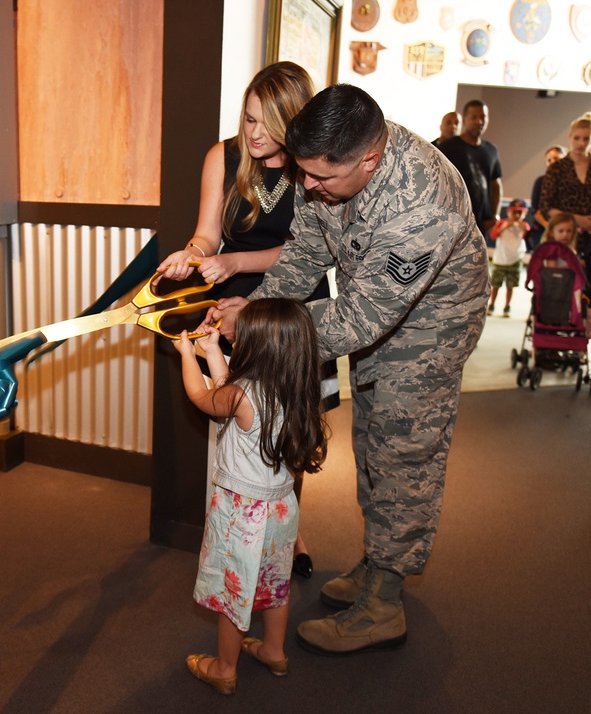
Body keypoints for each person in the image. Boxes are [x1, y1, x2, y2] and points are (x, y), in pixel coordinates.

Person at [208, 84, 490, 656]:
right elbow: (304, 253)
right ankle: (378, 564)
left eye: (320, 179)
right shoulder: (327, 167)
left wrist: (259, 328)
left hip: (432, 326)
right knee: (370, 439)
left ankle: (384, 604)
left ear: (369, 158)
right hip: (376, 304)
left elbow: (356, 320)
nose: (307, 187)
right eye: (304, 173)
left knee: (404, 451)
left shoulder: (422, 207)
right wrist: (258, 304)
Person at [154, 61, 337, 579]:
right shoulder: (224, 155)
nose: (254, 134)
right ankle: (237, 525)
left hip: (290, 307)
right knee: (237, 422)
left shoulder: (312, 165)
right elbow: (207, 233)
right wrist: (193, 254)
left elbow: (309, 249)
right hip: (233, 306)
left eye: (267, 123)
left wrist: (236, 261)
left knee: (291, 432)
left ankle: (286, 531)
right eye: (248, 118)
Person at [177, 299, 328, 695]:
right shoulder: (297, 389)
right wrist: (211, 350)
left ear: (258, 347)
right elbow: (233, 391)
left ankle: (225, 668)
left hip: (241, 514)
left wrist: (185, 354)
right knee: (275, 583)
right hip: (281, 509)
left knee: (234, 591)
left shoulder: (242, 394)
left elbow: (203, 397)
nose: (235, 338)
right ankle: (274, 651)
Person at [539, 113, 591, 296]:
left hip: (589, 236)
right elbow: (546, 206)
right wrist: (577, 220)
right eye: (577, 138)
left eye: (586, 139)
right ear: (570, 137)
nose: (581, 143)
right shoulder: (557, 169)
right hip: (563, 235)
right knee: (561, 289)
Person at [440, 99, 503, 239]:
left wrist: (494, 216)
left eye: (483, 117)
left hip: (482, 225)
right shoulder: (448, 147)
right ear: (465, 119)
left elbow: (496, 185)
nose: (479, 122)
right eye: (474, 117)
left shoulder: (491, 150)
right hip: (454, 223)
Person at [488, 198, 530, 317]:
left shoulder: (524, 225)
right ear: (508, 212)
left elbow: (527, 236)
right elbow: (494, 235)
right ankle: (492, 304)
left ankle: (507, 306)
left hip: (515, 259)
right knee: (495, 285)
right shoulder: (502, 223)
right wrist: (506, 226)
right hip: (500, 259)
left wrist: (522, 227)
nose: (516, 215)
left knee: (510, 286)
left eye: (520, 213)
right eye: (514, 212)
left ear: (525, 214)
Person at [526, 145, 566, 250]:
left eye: (556, 159)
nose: (552, 162)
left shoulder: (570, 183)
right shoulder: (540, 181)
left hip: (565, 230)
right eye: (549, 160)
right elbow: (535, 209)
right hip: (542, 228)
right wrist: (548, 226)